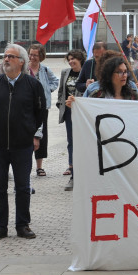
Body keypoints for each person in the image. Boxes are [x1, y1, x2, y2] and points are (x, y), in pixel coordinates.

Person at [0, 44, 46, 241]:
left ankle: (22, 225)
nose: (6, 59)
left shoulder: (32, 85)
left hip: (22, 145)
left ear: (22, 61)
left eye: (11, 56)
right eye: (5, 56)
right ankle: (0, 227)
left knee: (22, 187)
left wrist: (30, 132)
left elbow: (40, 113)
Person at [27, 43, 58, 178]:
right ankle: (25, 166)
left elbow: (55, 82)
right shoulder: (24, 69)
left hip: (42, 108)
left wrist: (47, 90)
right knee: (26, 136)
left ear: (41, 56)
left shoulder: (45, 69)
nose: (32, 57)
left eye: (35, 55)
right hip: (26, 107)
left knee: (41, 137)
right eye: (31, 54)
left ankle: (39, 167)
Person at [56, 49, 84, 192]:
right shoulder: (65, 72)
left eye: (74, 59)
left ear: (80, 59)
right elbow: (62, 89)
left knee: (84, 142)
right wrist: (59, 102)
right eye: (69, 59)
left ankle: (84, 173)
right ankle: (73, 174)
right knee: (72, 142)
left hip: (83, 114)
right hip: (69, 112)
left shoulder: (86, 72)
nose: (71, 61)